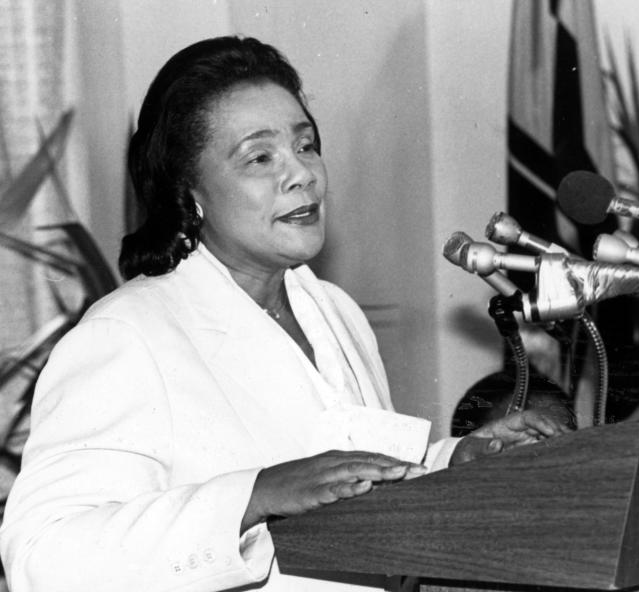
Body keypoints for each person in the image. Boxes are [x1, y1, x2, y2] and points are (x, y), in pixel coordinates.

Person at [0, 36, 569, 592]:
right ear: (189, 190)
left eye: (305, 144)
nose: (302, 173)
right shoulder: (127, 334)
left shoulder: (333, 311)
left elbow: (353, 484)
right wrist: (254, 496)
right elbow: (42, 556)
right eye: (259, 156)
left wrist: (456, 460)